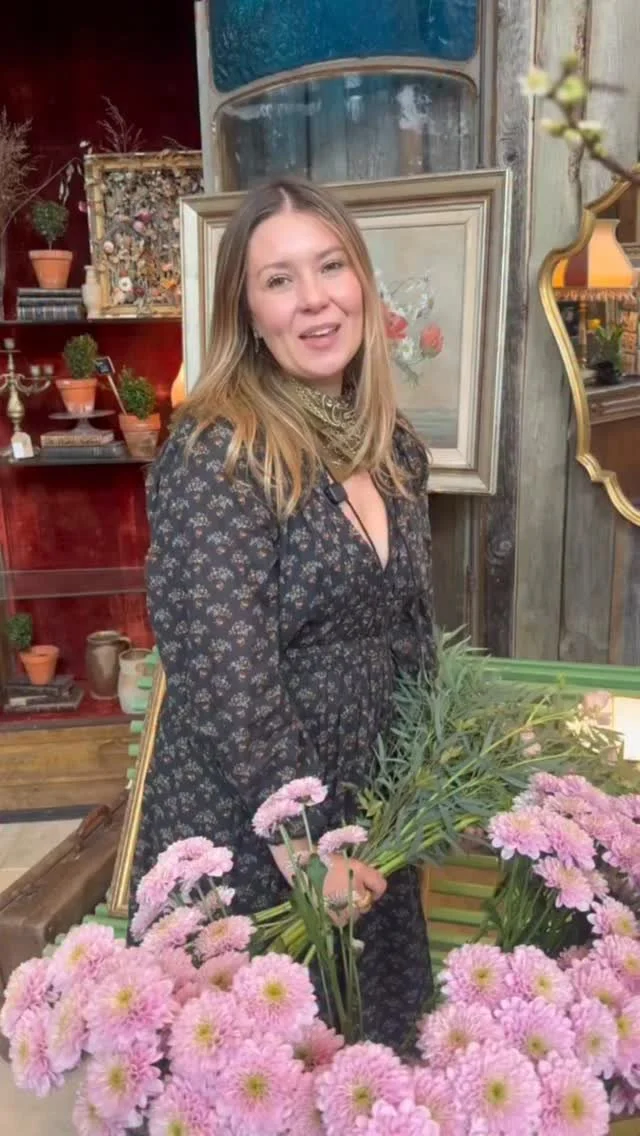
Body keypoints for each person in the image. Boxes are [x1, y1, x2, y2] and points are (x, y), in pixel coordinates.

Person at [131, 175, 436, 1048]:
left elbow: (411, 632)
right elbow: (225, 672)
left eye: (330, 266)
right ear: (249, 313)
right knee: (263, 1068)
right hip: (252, 821)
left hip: (369, 809)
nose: (314, 299)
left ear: (362, 282)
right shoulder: (220, 451)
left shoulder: (391, 448)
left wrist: (422, 774)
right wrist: (302, 844)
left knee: (369, 1062)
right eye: (279, 279)